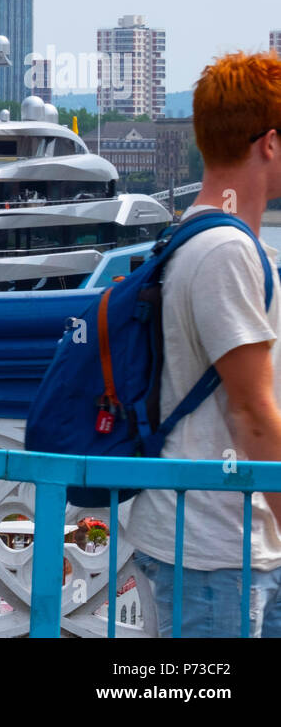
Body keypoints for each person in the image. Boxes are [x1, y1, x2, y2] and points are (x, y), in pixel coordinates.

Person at [127, 50, 281, 637]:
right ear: (268, 143)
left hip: (221, 543)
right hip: (217, 548)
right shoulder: (228, 253)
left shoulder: (193, 235)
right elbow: (251, 413)